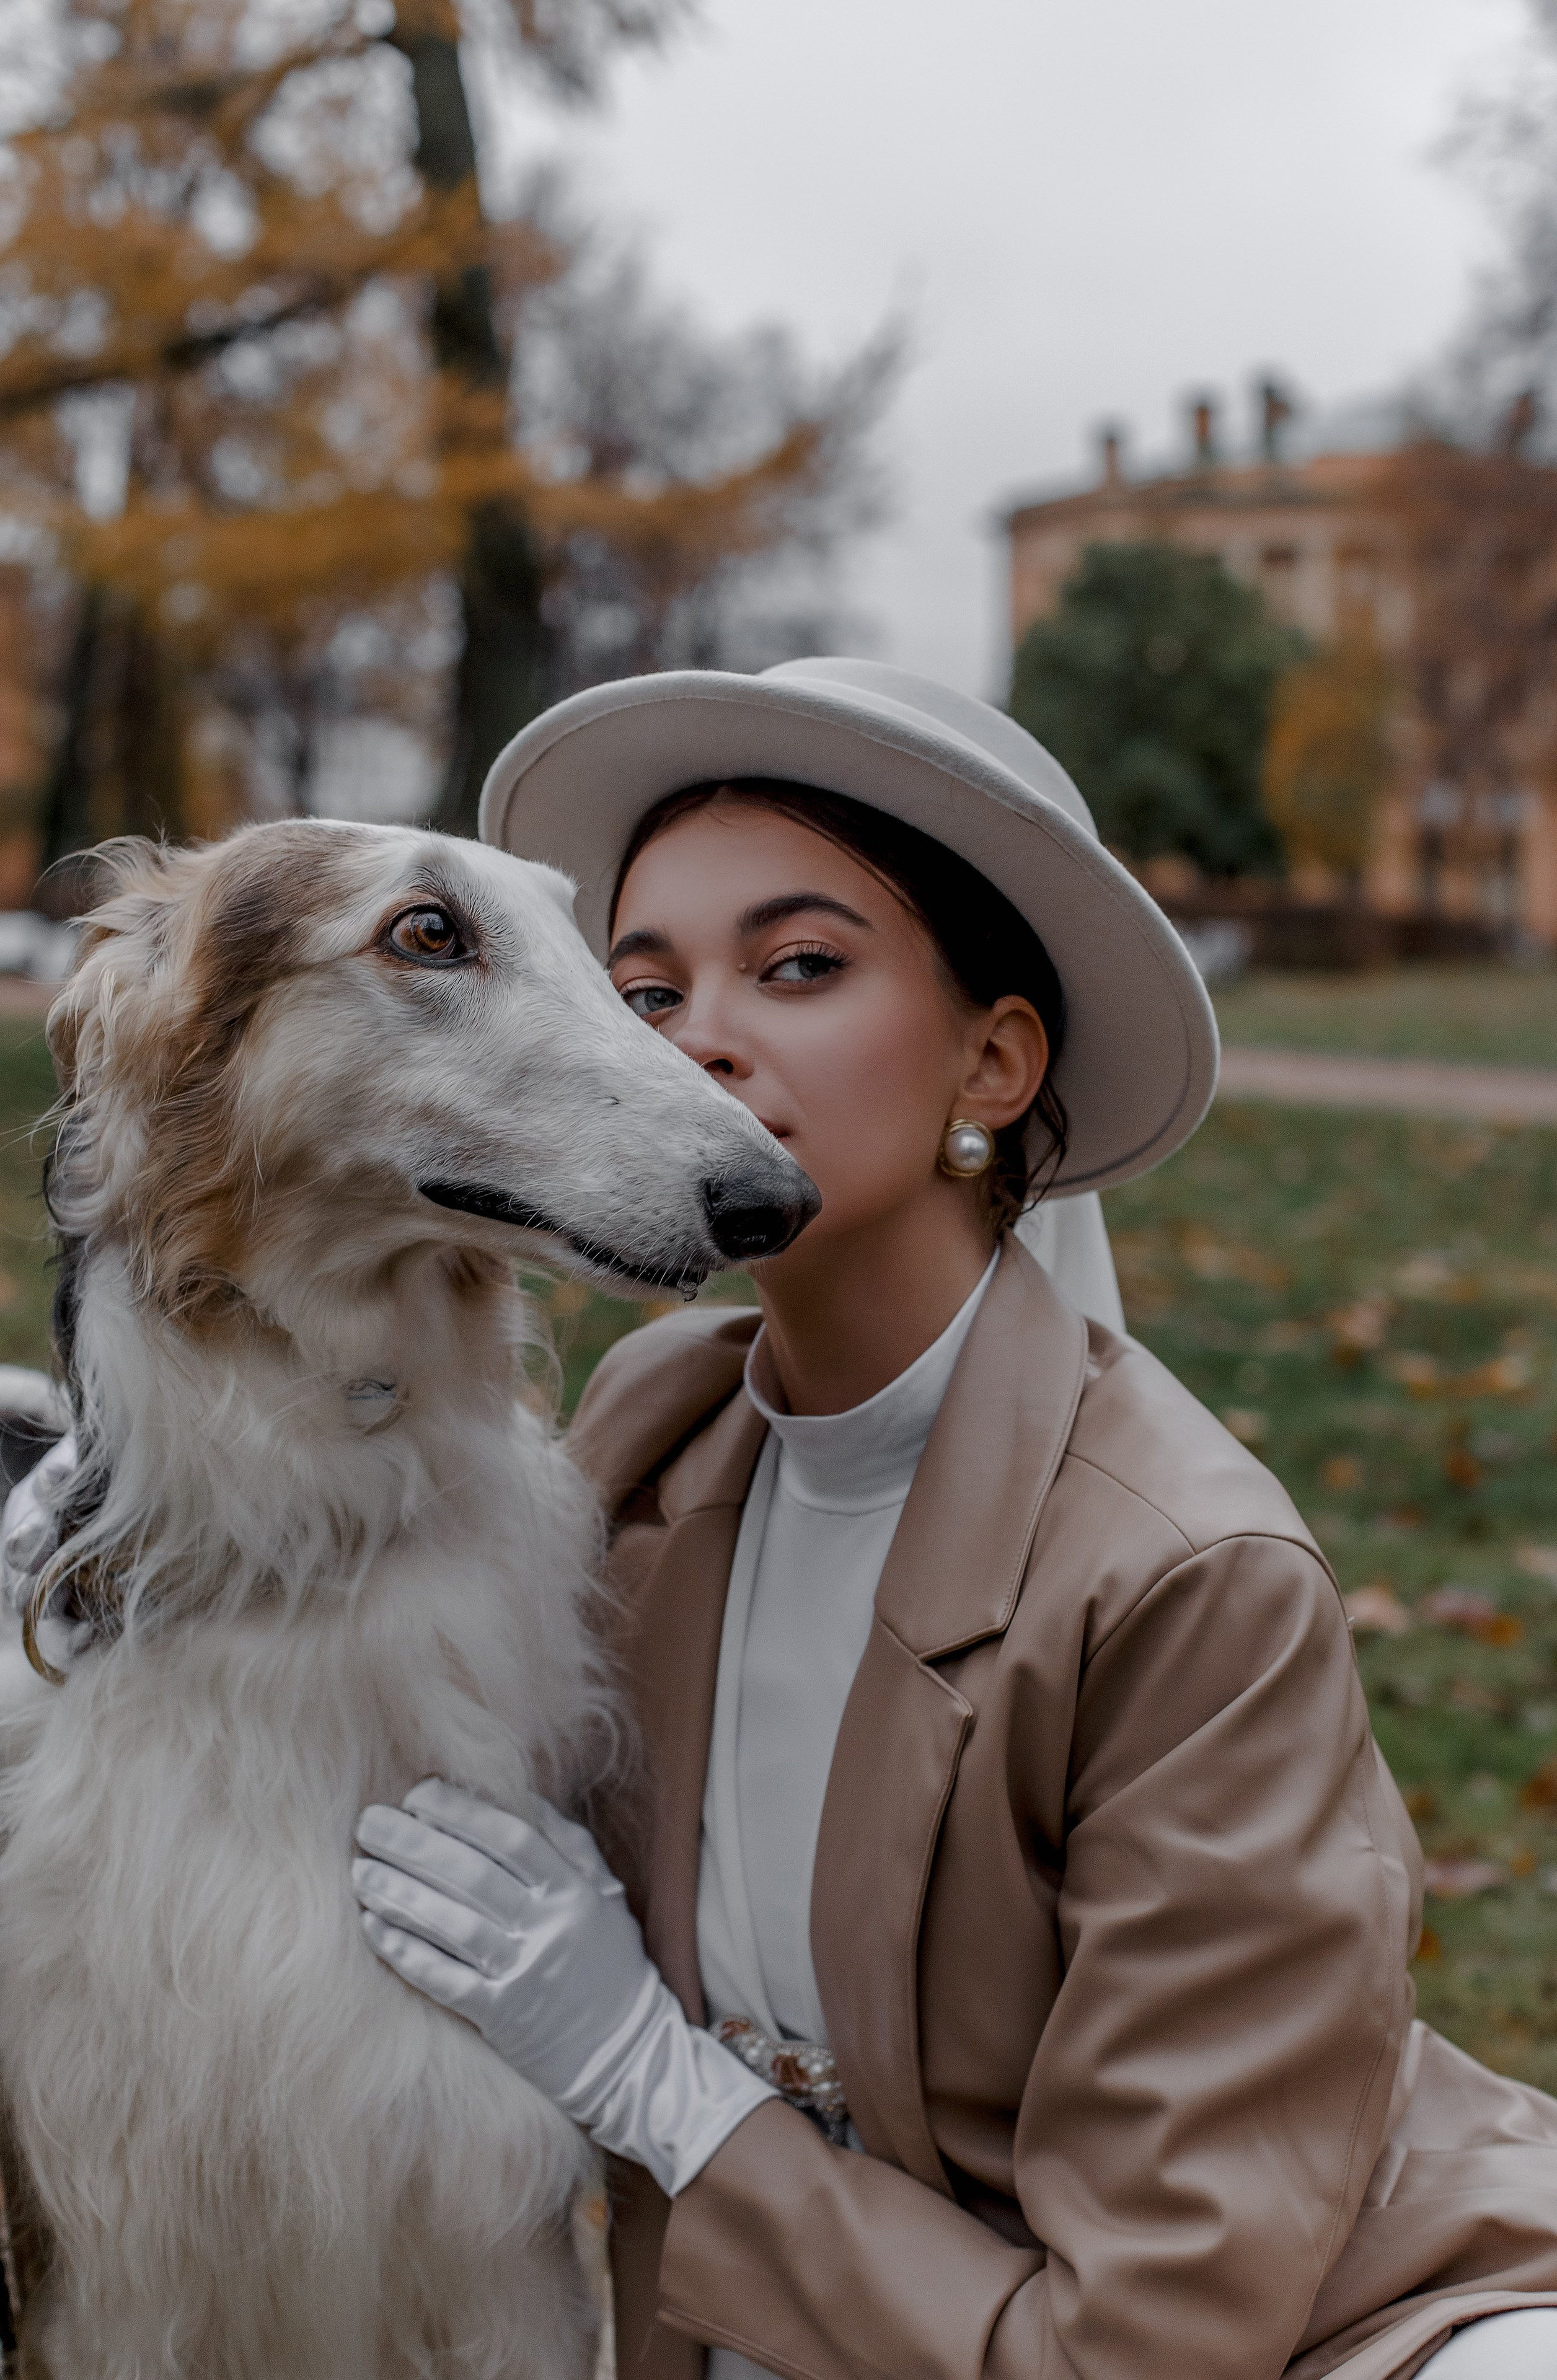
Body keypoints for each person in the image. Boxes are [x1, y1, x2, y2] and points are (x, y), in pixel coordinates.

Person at [118, 658, 1557, 2373]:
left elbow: (1154, 2345)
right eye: (639, 990)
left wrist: (662, 2091)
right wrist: (133, 1518)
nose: (696, 1038)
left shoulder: (1187, 1580)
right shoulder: (643, 1441)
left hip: (1325, 2336)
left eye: (800, 967)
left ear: (996, 1062)